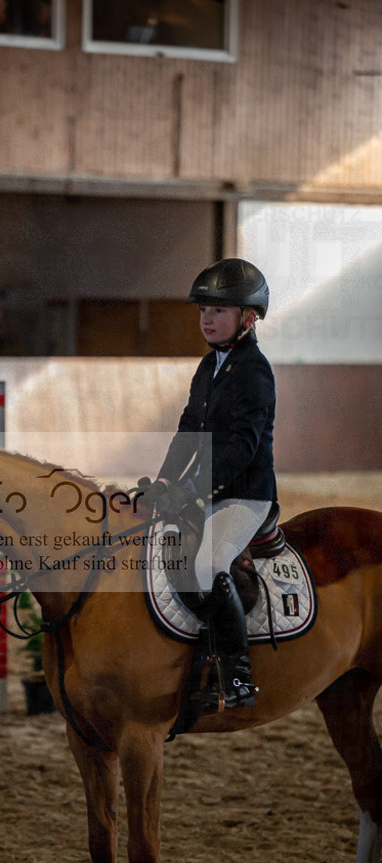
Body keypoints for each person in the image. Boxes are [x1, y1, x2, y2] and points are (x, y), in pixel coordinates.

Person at [149, 257, 276, 712]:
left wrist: (194, 490)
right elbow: (189, 430)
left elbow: (242, 447)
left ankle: (237, 674)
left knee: (209, 564)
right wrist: (165, 479)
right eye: (204, 310)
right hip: (208, 489)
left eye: (218, 311)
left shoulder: (254, 371)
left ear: (249, 317)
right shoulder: (208, 367)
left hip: (245, 494)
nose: (207, 318)